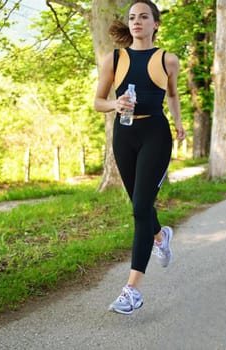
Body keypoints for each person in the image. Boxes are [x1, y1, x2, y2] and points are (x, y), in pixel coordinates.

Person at [94, 0, 186, 315]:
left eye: (143, 17)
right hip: (124, 135)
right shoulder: (115, 59)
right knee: (140, 205)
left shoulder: (168, 60)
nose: (137, 22)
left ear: (155, 23)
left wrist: (179, 123)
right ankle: (160, 235)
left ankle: (132, 289)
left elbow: (172, 94)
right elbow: (97, 101)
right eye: (132, 17)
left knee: (139, 209)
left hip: (155, 135)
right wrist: (115, 105)